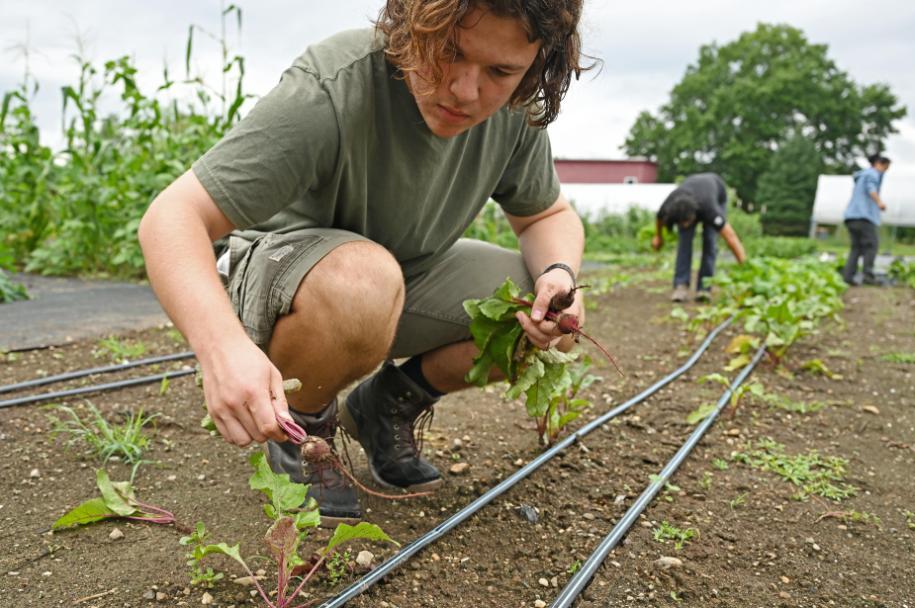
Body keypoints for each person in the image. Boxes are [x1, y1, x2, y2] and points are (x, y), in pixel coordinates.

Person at [138, 0, 590, 527]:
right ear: (414, 25)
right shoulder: (334, 85)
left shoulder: (513, 112)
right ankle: (302, 428)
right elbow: (172, 217)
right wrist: (221, 350)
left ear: (536, 65)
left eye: (500, 71)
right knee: (363, 280)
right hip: (283, 278)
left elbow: (546, 214)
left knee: (550, 312)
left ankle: (384, 407)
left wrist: (560, 275)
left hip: (399, 278)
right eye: (449, 52)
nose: (465, 91)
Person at [651, 172, 747, 302]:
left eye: (687, 222)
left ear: (694, 215)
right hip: (688, 196)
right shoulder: (670, 206)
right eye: (681, 223)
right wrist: (658, 237)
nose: (684, 225)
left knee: (710, 241)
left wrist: (746, 267)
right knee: (684, 243)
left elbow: (731, 237)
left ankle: (704, 288)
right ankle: (681, 286)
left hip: (716, 193)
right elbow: (659, 219)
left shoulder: (710, 210)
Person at [842, 154, 891, 286]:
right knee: (871, 246)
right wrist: (879, 202)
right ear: (878, 164)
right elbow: (871, 188)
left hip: (851, 217)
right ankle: (868, 277)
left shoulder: (861, 176)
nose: (884, 171)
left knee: (856, 248)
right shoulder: (872, 174)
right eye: (885, 168)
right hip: (864, 217)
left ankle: (848, 276)